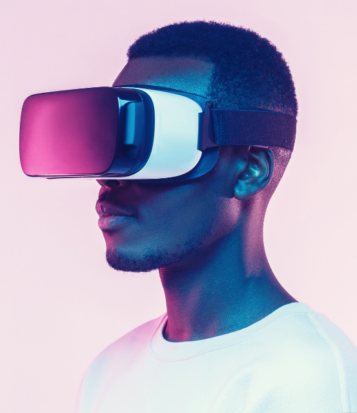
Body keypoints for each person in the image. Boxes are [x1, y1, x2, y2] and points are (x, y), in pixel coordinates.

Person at [76, 21, 357, 413]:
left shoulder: (306, 375)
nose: (111, 176)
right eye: (115, 140)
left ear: (248, 170)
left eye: (154, 144)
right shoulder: (109, 371)